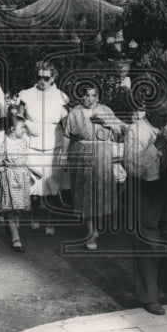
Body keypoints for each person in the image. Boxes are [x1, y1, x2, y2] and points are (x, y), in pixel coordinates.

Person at [124, 98, 167, 315]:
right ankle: (149, 297)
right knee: (145, 242)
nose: (165, 120)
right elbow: (131, 166)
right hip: (145, 187)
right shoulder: (135, 131)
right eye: (161, 116)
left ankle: (158, 284)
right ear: (148, 111)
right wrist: (156, 145)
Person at [61, 83, 127, 250]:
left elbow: (121, 130)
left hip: (102, 154)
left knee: (99, 191)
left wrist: (108, 124)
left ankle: (95, 227)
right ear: (81, 97)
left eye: (93, 95)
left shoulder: (106, 110)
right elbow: (67, 135)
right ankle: (90, 233)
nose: (89, 99)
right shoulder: (74, 113)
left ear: (98, 96)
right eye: (86, 95)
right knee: (85, 193)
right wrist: (63, 155)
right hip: (82, 153)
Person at [17, 60, 70, 235]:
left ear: (53, 78)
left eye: (46, 78)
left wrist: (65, 150)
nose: (42, 81)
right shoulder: (26, 94)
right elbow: (17, 116)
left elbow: (67, 124)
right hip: (32, 143)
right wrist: (25, 123)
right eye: (39, 77)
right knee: (34, 184)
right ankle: (35, 217)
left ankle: (50, 222)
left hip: (53, 145)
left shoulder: (61, 96)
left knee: (52, 184)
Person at [0, 112, 39, 251]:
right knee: (11, 207)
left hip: (22, 177)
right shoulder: (4, 144)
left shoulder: (24, 142)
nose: (25, 130)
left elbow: (25, 159)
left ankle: (10, 223)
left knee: (19, 207)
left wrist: (34, 170)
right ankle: (15, 238)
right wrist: (1, 170)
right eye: (22, 127)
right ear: (12, 129)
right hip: (10, 177)